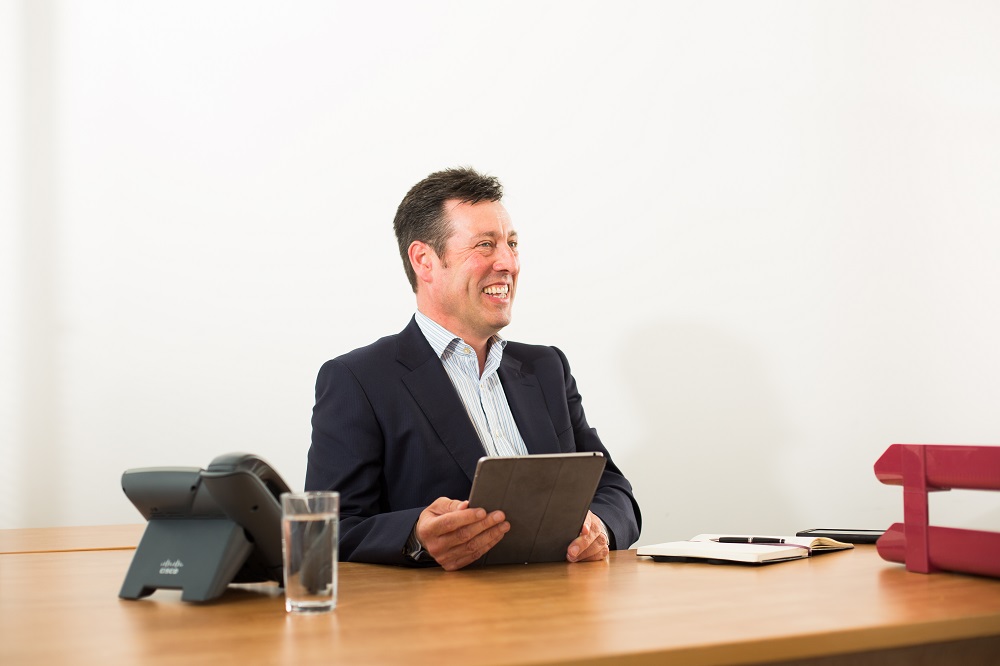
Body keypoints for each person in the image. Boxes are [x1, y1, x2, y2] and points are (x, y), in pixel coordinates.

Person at [305, 167, 641, 570]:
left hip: (563, 615)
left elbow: (613, 489)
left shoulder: (546, 367)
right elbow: (327, 530)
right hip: (445, 623)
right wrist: (415, 536)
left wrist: (598, 527)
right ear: (425, 261)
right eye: (485, 245)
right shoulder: (358, 380)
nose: (508, 263)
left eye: (512, 244)